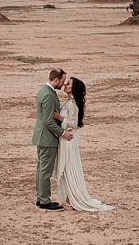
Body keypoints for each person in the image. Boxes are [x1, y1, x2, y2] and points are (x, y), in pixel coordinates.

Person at [55, 77, 115, 212]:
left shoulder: (72, 105)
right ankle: (68, 197)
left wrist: (60, 118)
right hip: (65, 139)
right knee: (66, 167)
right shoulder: (69, 102)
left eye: (68, 83)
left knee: (69, 166)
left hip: (69, 139)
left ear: (73, 88)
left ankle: (72, 198)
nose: (65, 84)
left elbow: (73, 124)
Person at [32, 68, 73, 211]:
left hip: (42, 137)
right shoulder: (49, 95)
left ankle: (40, 198)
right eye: (62, 81)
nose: (63, 84)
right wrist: (63, 133)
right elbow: (48, 121)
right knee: (45, 170)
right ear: (55, 80)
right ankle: (44, 201)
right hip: (47, 139)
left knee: (40, 169)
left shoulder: (44, 91)